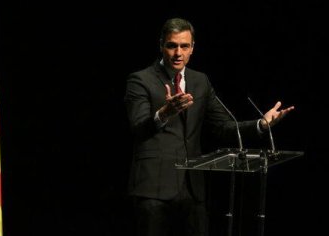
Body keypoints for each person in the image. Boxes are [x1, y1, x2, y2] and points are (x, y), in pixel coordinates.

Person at [123, 17, 294, 236]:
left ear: (192, 48)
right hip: (154, 189)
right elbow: (138, 127)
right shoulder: (140, 80)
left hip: (193, 191)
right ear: (161, 45)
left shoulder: (200, 81)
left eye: (184, 46)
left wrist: (261, 124)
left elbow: (224, 125)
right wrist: (165, 113)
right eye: (172, 45)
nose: (178, 53)